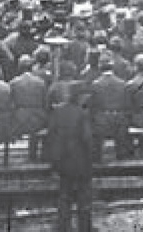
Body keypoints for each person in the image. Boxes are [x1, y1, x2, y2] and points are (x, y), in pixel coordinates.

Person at [45, 80, 94, 232]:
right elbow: (87, 138)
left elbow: (50, 134)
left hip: (62, 159)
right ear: (79, 96)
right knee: (83, 196)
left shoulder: (57, 111)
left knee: (64, 195)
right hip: (80, 159)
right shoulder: (82, 113)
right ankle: (84, 228)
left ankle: (63, 227)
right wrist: (92, 156)